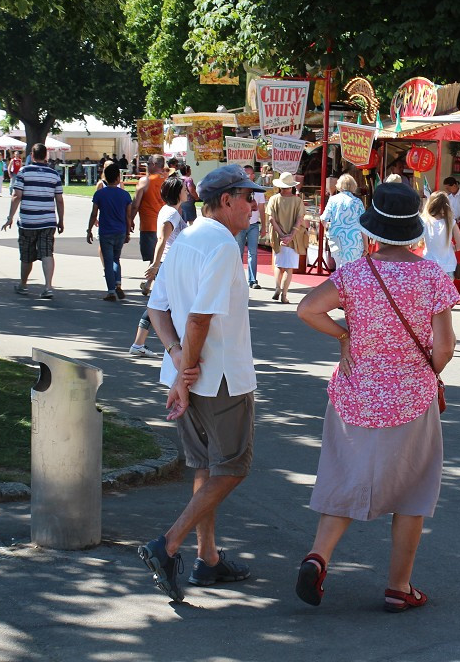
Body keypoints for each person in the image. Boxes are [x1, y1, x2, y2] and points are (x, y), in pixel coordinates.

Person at [294, 181, 458, 612]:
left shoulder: (354, 273)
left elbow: (307, 308)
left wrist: (344, 334)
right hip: (411, 399)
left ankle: (318, 556)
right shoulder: (431, 277)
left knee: (346, 478)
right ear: (413, 232)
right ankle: (399, 587)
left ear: (372, 233)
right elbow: (445, 347)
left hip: (353, 396)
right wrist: (427, 373)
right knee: (413, 492)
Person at [138, 164, 267, 603]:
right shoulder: (223, 244)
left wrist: (177, 361)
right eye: (248, 196)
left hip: (191, 374)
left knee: (206, 467)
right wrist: (186, 371)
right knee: (233, 467)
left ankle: (207, 558)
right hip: (221, 377)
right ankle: (169, 544)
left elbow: (157, 310)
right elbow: (198, 318)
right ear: (226, 200)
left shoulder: (184, 238)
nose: (253, 205)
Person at [130, 177, 189, 356]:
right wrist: (155, 265)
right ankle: (144, 344)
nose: (187, 191)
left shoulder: (171, 211)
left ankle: (140, 343)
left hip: (169, 263)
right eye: (184, 189)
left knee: (162, 304)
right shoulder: (171, 213)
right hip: (169, 264)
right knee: (161, 305)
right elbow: (162, 239)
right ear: (177, 192)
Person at [2, 143, 64, 299]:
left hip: (28, 220)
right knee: (47, 253)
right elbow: (59, 199)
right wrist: (61, 220)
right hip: (48, 220)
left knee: (27, 254)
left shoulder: (24, 172)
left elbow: (17, 196)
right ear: (46, 155)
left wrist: (10, 217)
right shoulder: (53, 174)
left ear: (32, 155)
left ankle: (23, 285)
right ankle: (48, 286)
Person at [87, 163, 133, 301]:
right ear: (118, 178)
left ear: (105, 177)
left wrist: (89, 230)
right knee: (116, 259)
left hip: (106, 231)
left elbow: (94, 213)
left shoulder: (100, 194)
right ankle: (118, 283)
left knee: (108, 261)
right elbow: (128, 216)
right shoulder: (125, 195)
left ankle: (111, 291)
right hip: (120, 231)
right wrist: (128, 232)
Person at [265, 172, 307, 303]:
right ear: (291, 186)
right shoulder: (297, 200)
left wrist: (282, 235)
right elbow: (300, 219)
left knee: (278, 265)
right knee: (289, 268)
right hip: (293, 239)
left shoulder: (273, 199)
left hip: (278, 237)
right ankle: (284, 294)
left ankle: (277, 287)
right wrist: (290, 235)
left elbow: (271, 219)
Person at [131, 154, 168, 295]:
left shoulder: (145, 181)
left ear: (153, 164)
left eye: (148, 163)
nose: (146, 166)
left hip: (149, 224)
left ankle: (159, 288)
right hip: (166, 225)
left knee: (154, 256)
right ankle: (148, 284)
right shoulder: (168, 181)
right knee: (157, 257)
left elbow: (135, 204)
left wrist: (130, 220)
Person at [320, 173, 368, 269]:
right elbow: (363, 225)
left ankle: (340, 283)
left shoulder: (333, 200)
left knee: (339, 266)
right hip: (354, 239)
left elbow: (323, 218)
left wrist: (329, 228)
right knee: (353, 269)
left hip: (337, 238)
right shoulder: (358, 202)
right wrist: (366, 246)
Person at [234, 164, 267, 288]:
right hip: (241, 225)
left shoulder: (258, 191)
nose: (248, 176)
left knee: (253, 252)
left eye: (250, 173)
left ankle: (253, 280)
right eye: (245, 173)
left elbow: (262, 210)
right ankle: (237, 278)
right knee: (238, 252)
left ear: (253, 175)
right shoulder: (238, 190)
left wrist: (264, 226)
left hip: (253, 225)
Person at [419, 191, 460, 278]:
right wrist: (452, 248)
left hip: (429, 265)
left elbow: (415, 245)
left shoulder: (424, 221)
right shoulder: (451, 222)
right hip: (448, 266)